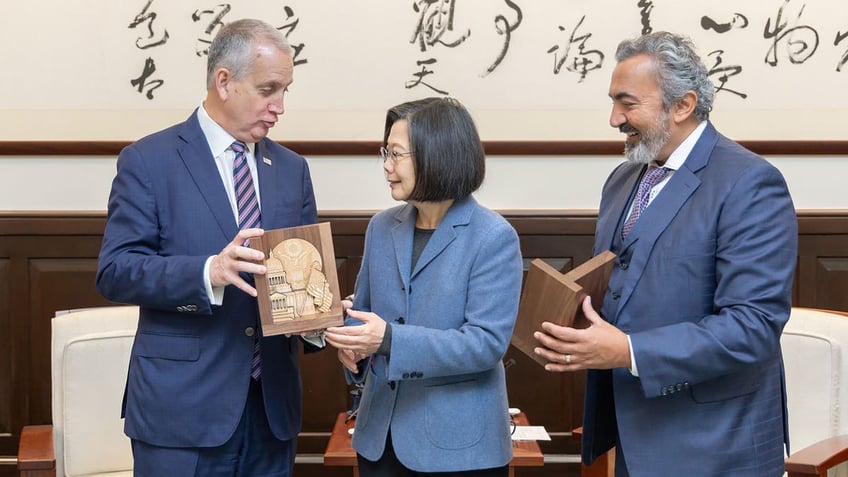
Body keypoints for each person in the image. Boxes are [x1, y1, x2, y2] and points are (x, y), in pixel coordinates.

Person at [533, 31, 797, 476]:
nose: (614, 118)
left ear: (683, 105)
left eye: (627, 103)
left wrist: (629, 351)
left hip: (716, 443)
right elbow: (619, 288)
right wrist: (570, 333)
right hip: (633, 435)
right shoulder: (622, 180)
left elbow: (752, 326)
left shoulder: (750, 183)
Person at [95, 18, 320, 477]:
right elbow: (116, 270)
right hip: (182, 411)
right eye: (268, 89)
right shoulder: (149, 161)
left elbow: (303, 274)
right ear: (224, 82)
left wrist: (322, 317)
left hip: (271, 413)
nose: (279, 107)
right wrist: (208, 272)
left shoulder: (291, 168)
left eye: (286, 91)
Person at [323, 97, 523, 476]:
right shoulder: (382, 228)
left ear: (437, 155)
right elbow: (366, 316)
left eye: (396, 154)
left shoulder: (493, 236)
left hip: (458, 448)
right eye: (385, 152)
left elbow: (484, 345)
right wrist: (354, 349)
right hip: (378, 441)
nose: (386, 166)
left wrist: (386, 340)